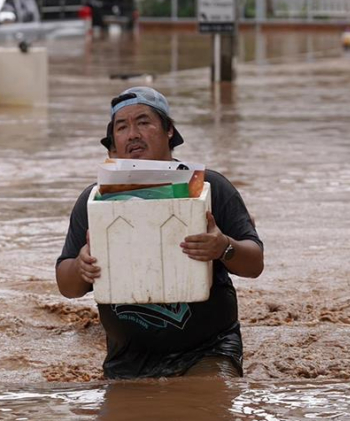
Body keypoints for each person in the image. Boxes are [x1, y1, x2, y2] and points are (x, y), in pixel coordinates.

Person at [56, 86, 264, 379]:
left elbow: (255, 263)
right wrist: (81, 267)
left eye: (144, 122)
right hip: (127, 361)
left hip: (209, 350)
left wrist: (223, 247)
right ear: (113, 141)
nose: (133, 134)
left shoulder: (210, 188)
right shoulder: (95, 201)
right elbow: (67, 286)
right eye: (122, 126)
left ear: (169, 131)